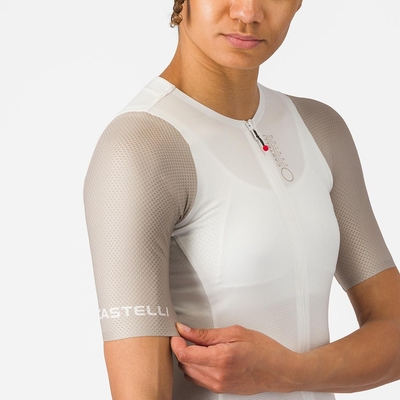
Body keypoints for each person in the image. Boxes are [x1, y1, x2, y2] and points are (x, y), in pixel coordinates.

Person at [84, 0, 400, 399]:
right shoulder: (141, 149)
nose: (248, 13)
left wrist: (289, 372)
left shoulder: (320, 130)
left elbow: (395, 333)